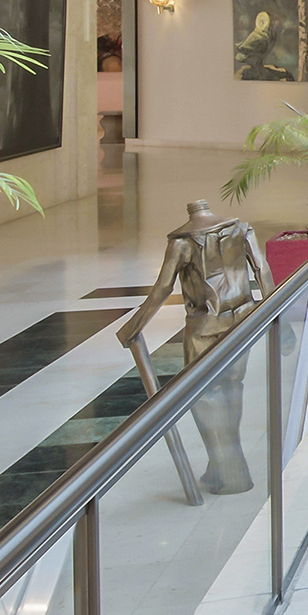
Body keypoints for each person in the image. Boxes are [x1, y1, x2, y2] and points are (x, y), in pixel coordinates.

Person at [118, 200, 273, 493]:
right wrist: (274, 312)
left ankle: (230, 473)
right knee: (231, 390)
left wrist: (133, 326)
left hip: (205, 328)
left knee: (204, 396)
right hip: (243, 319)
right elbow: (262, 270)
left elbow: (163, 288)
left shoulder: (183, 242)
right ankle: (222, 468)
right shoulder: (240, 228)